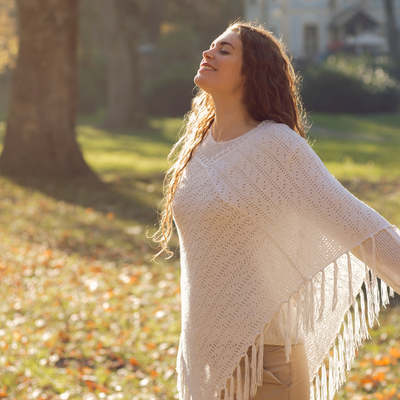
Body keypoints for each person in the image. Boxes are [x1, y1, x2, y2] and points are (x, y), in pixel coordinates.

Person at [154, 21, 400, 400]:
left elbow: (356, 223)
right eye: (211, 46)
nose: (208, 53)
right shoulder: (197, 146)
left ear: (252, 70)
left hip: (266, 364)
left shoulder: (277, 146)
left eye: (225, 50)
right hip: (203, 353)